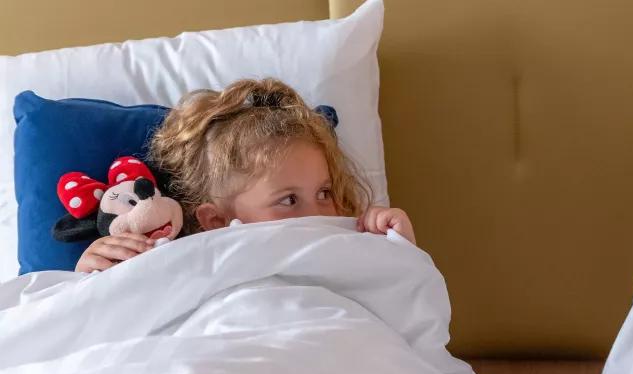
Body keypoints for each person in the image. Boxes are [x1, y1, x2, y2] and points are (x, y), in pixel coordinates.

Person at [74, 78, 413, 272]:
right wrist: (92, 276)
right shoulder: (183, 263)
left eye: (324, 193)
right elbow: (118, 321)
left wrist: (399, 249)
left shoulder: (349, 250)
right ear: (217, 221)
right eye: (289, 200)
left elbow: (404, 306)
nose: (318, 214)